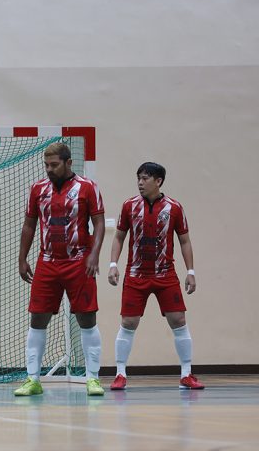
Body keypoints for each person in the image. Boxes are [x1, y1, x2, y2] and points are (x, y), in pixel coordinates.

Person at [15, 142, 106, 397]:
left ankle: (93, 379)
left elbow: (98, 224)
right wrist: (22, 258)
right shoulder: (37, 189)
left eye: (54, 165)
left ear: (68, 163)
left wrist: (94, 255)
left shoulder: (88, 188)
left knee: (87, 319)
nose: (49, 170)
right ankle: (33, 379)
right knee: (37, 317)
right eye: (46, 165)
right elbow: (29, 225)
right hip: (48, 262)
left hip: (79, 262)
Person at [107, 162, 204, 390]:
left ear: (158, 181)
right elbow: (119, 237)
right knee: (128, 322)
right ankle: (120, 373)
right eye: (138, 178)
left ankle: (186, 374)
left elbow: (184, 241)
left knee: (178, 320)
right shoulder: (129, 206)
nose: (140, 182)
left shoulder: (175, 208)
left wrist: (190, 271)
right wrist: (113, 264)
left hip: (165, 275)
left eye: (145, 178)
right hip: (135, 274)